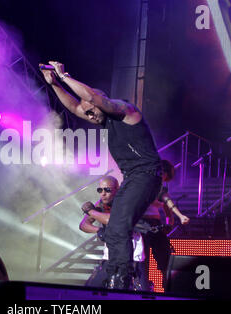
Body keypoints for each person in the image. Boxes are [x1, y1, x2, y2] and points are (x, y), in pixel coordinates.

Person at [40, 60, 162, 289]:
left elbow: (93, 99)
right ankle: (117, 274)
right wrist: (54, 84)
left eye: (91, 110)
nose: (88, 115)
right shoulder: (100, 116)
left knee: (118, 225)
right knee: (116, 224)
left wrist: (64, 76)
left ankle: (121, 276)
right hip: (132, 176)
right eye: (86, 113)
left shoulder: (126, 111)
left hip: (146, 174)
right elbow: (75, 107)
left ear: (101, 104)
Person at [79, 175, 145, 289]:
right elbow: (83, 225)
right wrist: (99, 230)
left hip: (132, 256)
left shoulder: (126, 202)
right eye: (100, 190)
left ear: (117, 190)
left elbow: (113, 220)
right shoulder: (101, 204)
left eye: (107, 190)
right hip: (110, 254)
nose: (103, 193)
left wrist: (90, 211)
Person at [136, 159, 190, 291]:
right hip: (140, 225)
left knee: (165, 258)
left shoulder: (161, 190)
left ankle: (168, 288)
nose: (162, 176)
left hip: (156, 225)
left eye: (164, 174)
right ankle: (144, 290)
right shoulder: (142, 185)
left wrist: (169, 225)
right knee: (144, 262)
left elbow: (168, 209)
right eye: (160, 172)